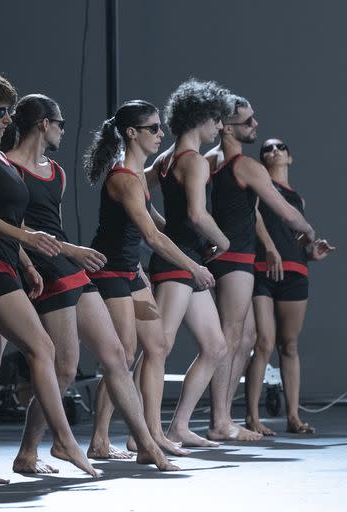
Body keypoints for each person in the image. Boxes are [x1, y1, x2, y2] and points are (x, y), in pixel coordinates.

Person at [0, 94, 177, 472]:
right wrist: (32, 263)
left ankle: (146, 444)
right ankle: (31, 451)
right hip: (48, 268)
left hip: (70, 264)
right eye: (60, 123)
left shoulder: (56, 171)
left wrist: (71, 253)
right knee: (65, 367)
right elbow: (12, 228)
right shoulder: (9, 168)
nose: (64, 129)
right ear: (44, 125)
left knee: (115, 354)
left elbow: (53, 224)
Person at [0, 72, 97, 485]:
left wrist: (26, 261)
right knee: (43, 348)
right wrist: (29, 238)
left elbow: (4, 217)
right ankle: (65, 440)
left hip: (1, 264)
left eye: (9, 111)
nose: (7, 118)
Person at [84, 100, 215, 457]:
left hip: (131, 271)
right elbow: (153, 238)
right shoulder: (124, 179)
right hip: (109, 270)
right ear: (132, 133)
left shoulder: (138, 178)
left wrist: (202, 241)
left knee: (156, 346)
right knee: (123, 355)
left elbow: (160, 224)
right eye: (153, 128)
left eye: (160, 127)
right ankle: (99, 440)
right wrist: (193, 265)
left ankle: (153, 433)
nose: (161, 134)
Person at [202, 95, 315, 441]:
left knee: (247, 337)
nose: (255, 126)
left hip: (234, 257)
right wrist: (308, 230)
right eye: (248, 122)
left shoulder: (209, 160)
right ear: (227, 127)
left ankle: (223, 415)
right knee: (229, 339)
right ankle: (220, 420)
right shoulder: (244, 165)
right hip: (235, 259)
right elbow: (282, 210)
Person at [143, 79, 230, 447]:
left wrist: (163, 228)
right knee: (156, 348)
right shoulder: (193, 161)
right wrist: (223, 241)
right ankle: (141, 432)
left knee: (215, 347)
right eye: (217, 120)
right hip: (179, 264)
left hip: (186, 261)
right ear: (201, 118)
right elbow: (197, 214)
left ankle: (178, 426)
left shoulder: (163, 160)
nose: (221, 128)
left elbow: (142, 199)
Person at [244, 139, 335, 435]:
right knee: (263, 343)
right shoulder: (258, 184)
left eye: (280, 147)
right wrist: (270, 248)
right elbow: (255, 217)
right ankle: (252, 418)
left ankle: (294, 417)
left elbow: (295, 237)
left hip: (295, 271)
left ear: (290, 158)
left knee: (290, 345)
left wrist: (311, 253)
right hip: (262, 269)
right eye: (267, 149)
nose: (273, 151)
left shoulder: (298, 199)